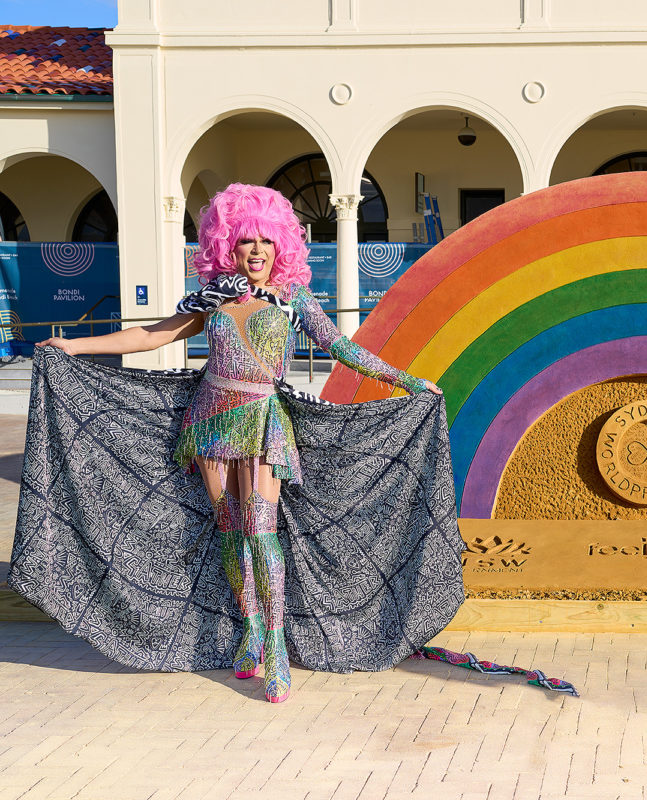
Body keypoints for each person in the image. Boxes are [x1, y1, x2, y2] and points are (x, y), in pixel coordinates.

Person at [37, 184, 441, 703]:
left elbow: (340, 346)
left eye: (265, 241)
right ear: (228, 243)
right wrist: (72, 345)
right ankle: (249, 626)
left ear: (281, 246)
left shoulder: (293, 297)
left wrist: (405, 381)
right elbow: (151, 336)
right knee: (230, 530)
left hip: (263, 421)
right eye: (246, 239)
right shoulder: (215, 296)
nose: (256, 251)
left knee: (261, 532)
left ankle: (275, 646)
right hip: (209, 421)